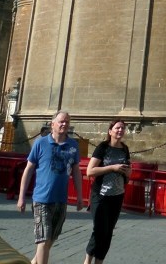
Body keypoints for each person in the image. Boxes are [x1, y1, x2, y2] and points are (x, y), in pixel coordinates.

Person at [17, 111, 84, 264]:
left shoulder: (73, 145)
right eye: (61, 121)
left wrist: (80, 196)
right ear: (52, 124)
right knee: (43, 239)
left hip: (61, 199)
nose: (64, 124)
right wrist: (21, 197)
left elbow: (76, 171)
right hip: (42, 199)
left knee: (51, 239)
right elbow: (28, 170)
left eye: (67, 121)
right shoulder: (40, 143)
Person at [83, 118, 131, 264]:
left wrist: (128, 172)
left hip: (117, 196)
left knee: (108, 231)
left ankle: (99, 261)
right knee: (100, 230)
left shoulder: (125, 149)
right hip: (101, 195)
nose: (120, 130)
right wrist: (112, 168)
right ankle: (87, 260)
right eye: (117, 128)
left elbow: (128, 172)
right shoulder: (102, 147)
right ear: (110, 131)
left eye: (122, 128)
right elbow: (90, 171)